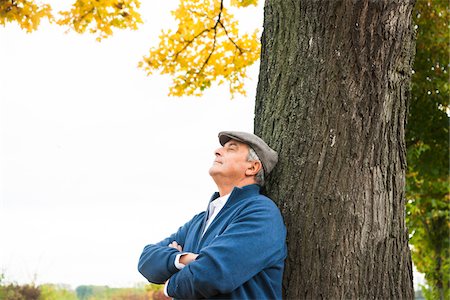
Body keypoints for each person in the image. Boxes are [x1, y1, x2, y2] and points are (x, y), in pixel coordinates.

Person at [138, 131, 287, 299]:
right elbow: (146, 260)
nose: (217, 151)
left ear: (252, 167)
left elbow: (214, 274)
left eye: (231, 149)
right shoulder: (200, 220)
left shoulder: (261, 212)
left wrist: (170, 285)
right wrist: (184, 259)